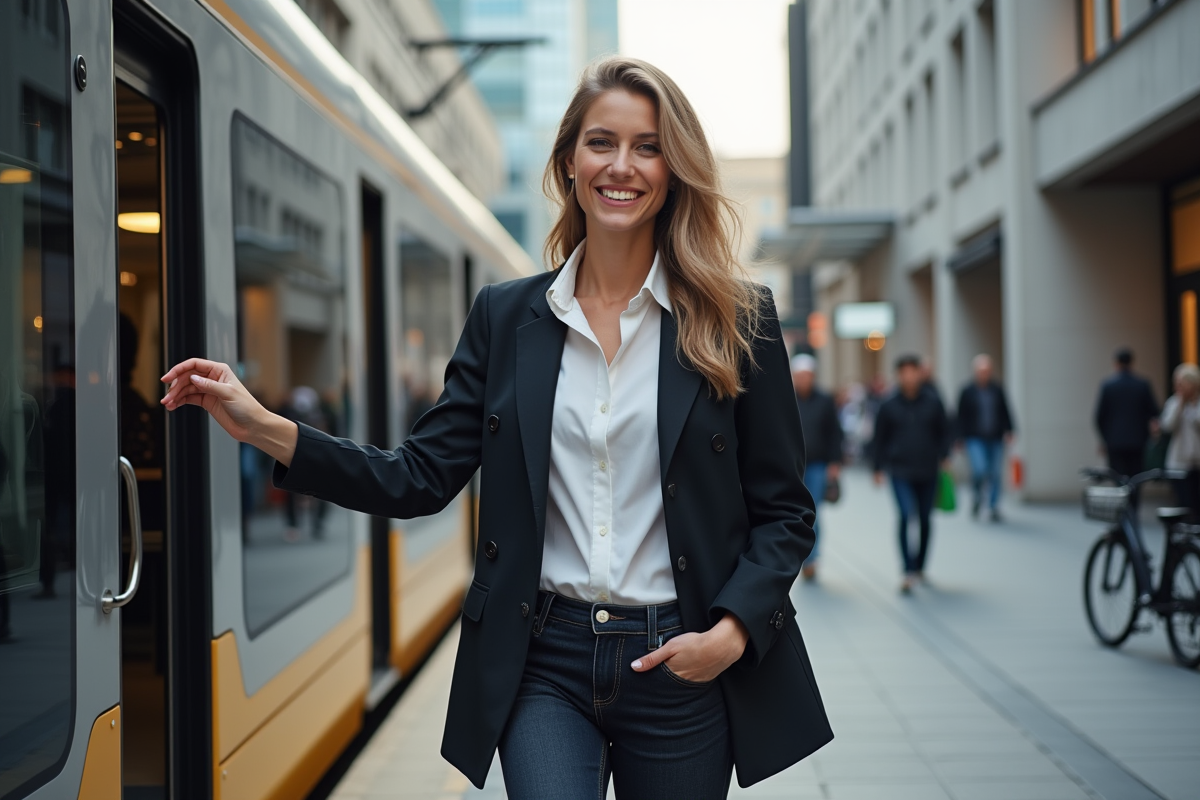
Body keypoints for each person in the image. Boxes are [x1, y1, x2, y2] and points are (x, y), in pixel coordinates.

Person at [160, 57, 831, 798]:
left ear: (673, 169)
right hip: (544, 659)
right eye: (601, 142)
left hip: (679, 658)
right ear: (569, 160)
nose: (622, 165)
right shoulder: (506, 316)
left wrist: (730, 634)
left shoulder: (738, 319)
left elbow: (785, 509)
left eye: (647, 146)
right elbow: (417, 476)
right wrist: (263, 427)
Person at [872, 354, 950, 594]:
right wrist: (877, 468)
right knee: (906, 515)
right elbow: (879, 439)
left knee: (925, 519)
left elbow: (945, 431)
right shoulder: (889, 404)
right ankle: (907, 569)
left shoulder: (933, 401)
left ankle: (920, 566)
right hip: (900, 470)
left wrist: (944, 456)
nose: (908, 376)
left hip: (928, 469)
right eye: (903, 372)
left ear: (919, 373)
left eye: (912, 371)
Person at [791, 353, 842, 581]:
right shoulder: (786, 399)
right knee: (794, 513)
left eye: (807, 375)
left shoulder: (824, 400)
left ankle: (811, 558)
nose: (804, 380)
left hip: (818, 464)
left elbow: (835, 433)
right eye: (799, 376)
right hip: (792, 465)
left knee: (813, 512)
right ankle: (799, 555)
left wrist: (834, 463)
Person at [955, 354, 1015, 522]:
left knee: (995, 472)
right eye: (981, 370)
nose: (984, 373)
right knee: (980, 469)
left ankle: (993, 506)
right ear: (975, 371)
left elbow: (1005, 410)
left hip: (995, 436)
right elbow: (959, 416)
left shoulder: (997, 389)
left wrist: (1010, 430)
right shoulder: (967, 391)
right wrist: (958, 437)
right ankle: (977, 497)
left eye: (987, 370)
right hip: (974, 437)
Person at [1094, 347, 1158, 479]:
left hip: (1114, 441)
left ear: (1116, 363)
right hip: (1138, 440)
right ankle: (1134, 499)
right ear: (1132, 362)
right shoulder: (1142, 384)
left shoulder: (1108, 386)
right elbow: (1154, 411)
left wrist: (1104, 439)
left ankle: (1122, 499)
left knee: (1118, 476)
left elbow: (1099, 416)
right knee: (1136, 476)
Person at [1160, 363, 1200, 516]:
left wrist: (1192, 405)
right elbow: (1168, 426)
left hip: (1197, 462)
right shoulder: (1174, 402)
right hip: (1179, 462)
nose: (1179, 386)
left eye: (1182, 383)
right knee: (1183, 504)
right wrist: (1181, 404)